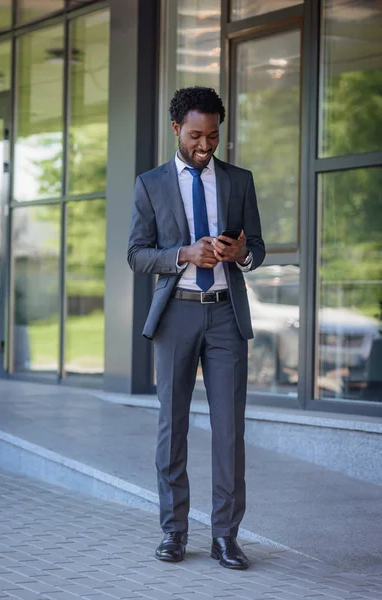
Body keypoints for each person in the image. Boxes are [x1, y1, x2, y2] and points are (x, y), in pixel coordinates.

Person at [128, 86, 265, 570]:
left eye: (213, 136)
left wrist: (239, 253)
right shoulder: (151, 183)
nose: (204, 146)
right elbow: (136, 255)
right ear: (176, 130)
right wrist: (184, 254)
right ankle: (174, 532)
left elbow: (257, 248)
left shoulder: (238, 180)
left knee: (229, 432)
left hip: (226, 314)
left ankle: (226, 538)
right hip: (177, 313)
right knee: (173, 428)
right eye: (195, 136)